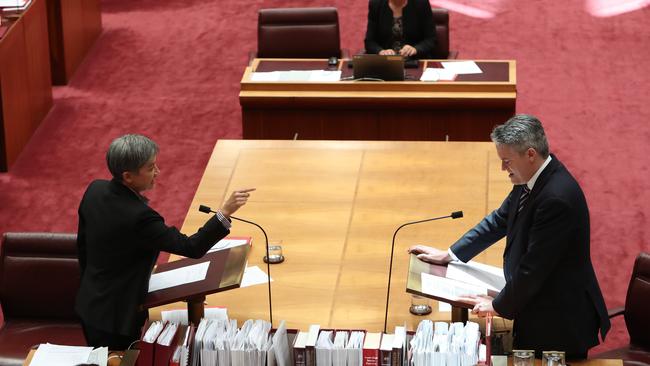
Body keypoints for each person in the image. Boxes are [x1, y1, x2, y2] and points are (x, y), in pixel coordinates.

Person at [408, 115, 610, 359]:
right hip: (539, 302)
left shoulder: (556, 200)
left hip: (559, 320)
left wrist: (497, 305)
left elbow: (533, 268)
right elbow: (500, 220)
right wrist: (451, 254)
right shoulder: (533, 177)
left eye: (506, 161)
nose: (503, 168)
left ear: (530, 154)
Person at [75, 134, 255, 349]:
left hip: (89, 303)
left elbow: (83, 248)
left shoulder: (95, 189)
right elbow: (192, 246)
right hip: (117, 319)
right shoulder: (139, 218)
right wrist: (225, 212)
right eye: (151, 168)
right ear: (128, 176)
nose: (157, 172)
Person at [364, 0, 438, 59]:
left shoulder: (421, 3)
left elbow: (431, 39)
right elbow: (369, 42)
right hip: (386, 63)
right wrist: (381, 51)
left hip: (414, 61)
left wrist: (415, 49)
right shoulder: (376, 4)